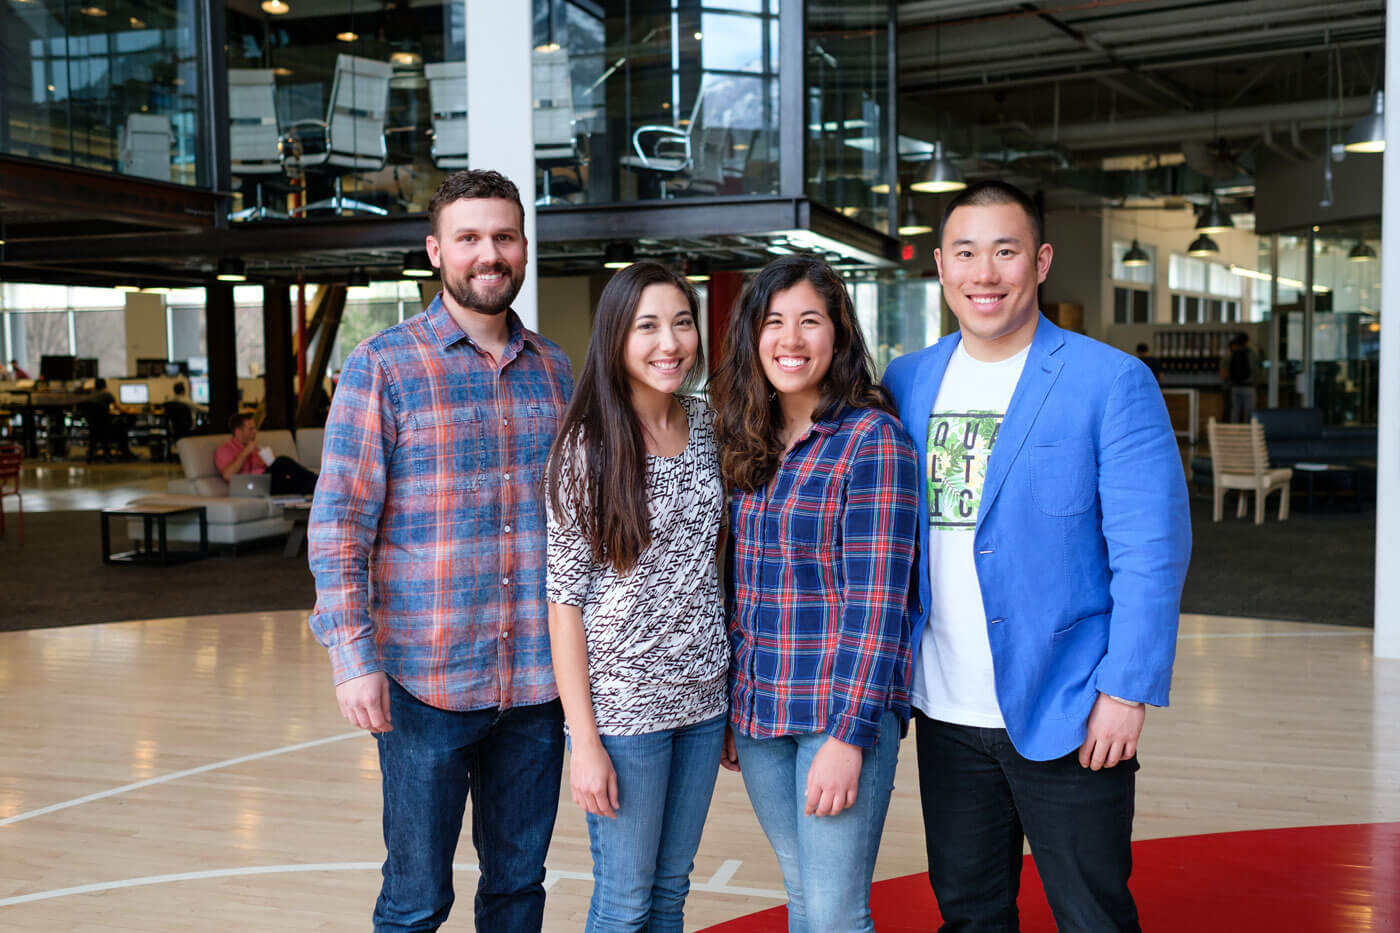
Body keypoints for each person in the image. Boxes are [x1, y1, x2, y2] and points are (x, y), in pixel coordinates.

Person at [881, 180, 1192, 932]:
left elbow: (1153, 548)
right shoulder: (906, 380)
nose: (984, 273)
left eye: (1005, 251)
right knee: (969, 911)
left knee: (1092, 915)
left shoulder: (1111, 380)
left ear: (1041, 260)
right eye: (965, 252)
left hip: (1073, 707)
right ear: (940, 265)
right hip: (945, 709)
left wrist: (1127, 689)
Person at [307, 169, 573, 933]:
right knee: (416, 896)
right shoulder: (382, 365)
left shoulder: (556, 370)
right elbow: (339, 524)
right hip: (425, 684)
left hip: (535, 684)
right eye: (469, 238)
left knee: (520, 885)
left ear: (523, 247)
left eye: (503, 236)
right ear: (436, 251)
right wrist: (352, 657)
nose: (488, 253)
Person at [711, 255, 919, 932]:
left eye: (810, 321)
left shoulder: (872, 440)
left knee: (834, 911)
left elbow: (879, 605)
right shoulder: (746, 438)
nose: (791, 339)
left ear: (838, 335)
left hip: (837, 711)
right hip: (762, 709)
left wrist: (848, 736)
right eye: (774, 322)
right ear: (753, 336)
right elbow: (741, 586)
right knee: (803, 897)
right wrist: (736, 704)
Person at [545, 260, 728, 932]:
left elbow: (714, 560)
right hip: (625, 713)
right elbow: (563, 601)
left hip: (705, 699)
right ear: (617, 336)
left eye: (682, 322)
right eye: (648, 325)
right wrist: (583, 739)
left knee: (672, 892)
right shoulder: (587, 445)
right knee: (624, 903)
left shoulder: (708, 424)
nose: (669, 342)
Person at [214, 412, 317, 495]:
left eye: (255, 428)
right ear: (238, 432)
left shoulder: (254, 448)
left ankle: (322, 486)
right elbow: (227, 475)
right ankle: (321, 481)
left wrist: (270, 459)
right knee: (282, 461)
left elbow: (268, 467)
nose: (255, 431)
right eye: (251, 429)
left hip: (266, 482)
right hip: (251, 485)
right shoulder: (225, 449)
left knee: (304, 485)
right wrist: (245, 453)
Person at [1222, 332, 1256, 423]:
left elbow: (1225, 372)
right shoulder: (1251, 353)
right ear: (1246, 341)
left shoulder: (1232, 354)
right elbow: (1256, 368)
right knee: (1250, 411)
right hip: (1248, 386)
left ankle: (1233, 432)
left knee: (1235, 411)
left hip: (1234, 387)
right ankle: (1249, 432)